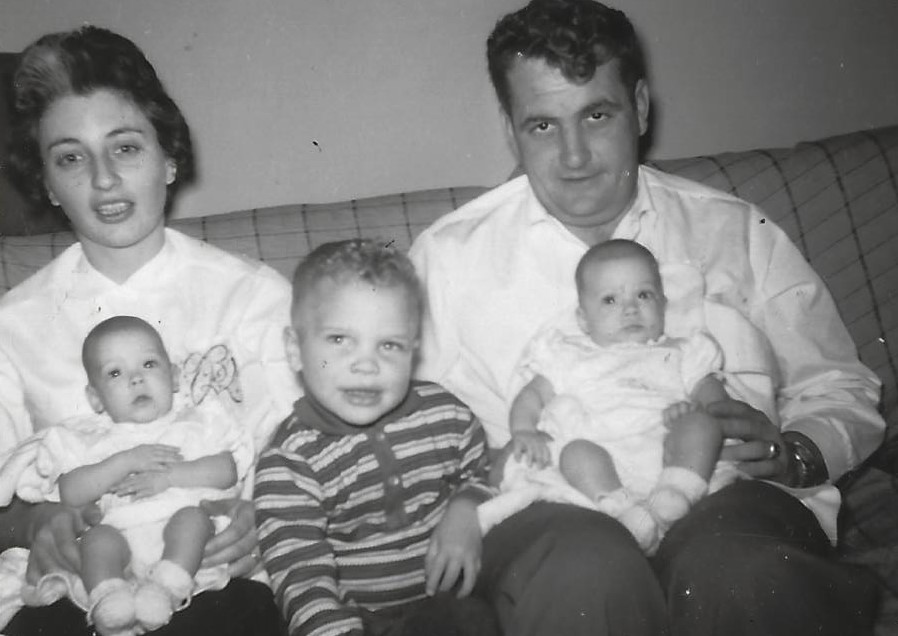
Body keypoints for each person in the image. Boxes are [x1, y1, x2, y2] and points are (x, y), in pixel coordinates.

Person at [409, 0, 884, 634]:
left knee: (739, 571)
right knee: (585, 575)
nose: (574, 157)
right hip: (553, 511)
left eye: (596, 115)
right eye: (542, 126)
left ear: (639, 105)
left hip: (729, 497)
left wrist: (798, 451)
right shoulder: (448, 257)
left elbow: (842, 388)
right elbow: (402, 438)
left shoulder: (737, 230)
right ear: (509, 126)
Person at [0, 26, 297, 636]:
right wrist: (32, 525)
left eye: (126, 148)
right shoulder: (14, 324)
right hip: (69, 590)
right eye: (71, 158)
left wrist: (260, 518)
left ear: (169, 159)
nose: (104, 179)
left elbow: (305, 459)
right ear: (48, 185)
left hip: (218, 577)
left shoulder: (254, 296)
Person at [253, 239, 499, 636]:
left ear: (413, 351)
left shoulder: (444, 412)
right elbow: (300, 576)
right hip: (355, 620)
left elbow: (484, 470)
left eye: (389, 345)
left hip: (451, 604)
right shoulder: (290, 461)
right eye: (339, 340)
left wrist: (467, 507)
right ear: (295, 350)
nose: (367, 364)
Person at [11, 316, 254, 635]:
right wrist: (124, 461)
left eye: (149, 364)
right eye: (115, 372)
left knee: (192, 519)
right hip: (121, 544)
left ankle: (165, 588)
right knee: (97, 539)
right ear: (95, 398)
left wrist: (169, 477)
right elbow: (70, 492)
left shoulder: (195, 424)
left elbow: (226, 471)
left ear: (175, 376)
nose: (136, 379)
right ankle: (110, 598)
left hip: (187, 550)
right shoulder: (90, 438)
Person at [494, 239, 736, 553]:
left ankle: (675, 496)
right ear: (583, 319)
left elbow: (718, 403)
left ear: (662, 303)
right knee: (575, 453)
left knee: (703, 428)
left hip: (670, 456)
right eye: (610, 300)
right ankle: (623, 514)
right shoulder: (568, 356)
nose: (630, 308)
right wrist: (524, 431)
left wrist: (694, 411)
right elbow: (531, 396)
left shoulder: (681, 352)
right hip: (604, 459)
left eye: (643, 294)